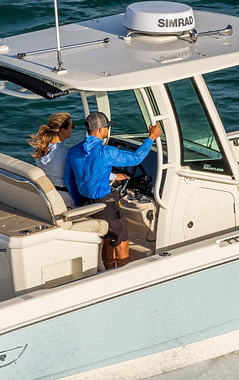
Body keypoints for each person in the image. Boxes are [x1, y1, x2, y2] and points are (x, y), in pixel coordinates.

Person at [65, 110, 163, 270]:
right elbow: (136, 158)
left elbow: (70, 181)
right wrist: (151, 137)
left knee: (106, 239)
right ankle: (124, 280)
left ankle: (109, 271)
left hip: (87, 205)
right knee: (122, 244)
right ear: (101, 130)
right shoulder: (106, 152)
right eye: (107, 127)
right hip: (106, 206)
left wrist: (83, 202)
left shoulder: (73, 151)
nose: (108, 130)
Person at [28, 111, 74, 199]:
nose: (73, 128)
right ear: (63, 130)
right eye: (72, 126)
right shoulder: (66, 153)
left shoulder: (40, 149)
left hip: (46, 195)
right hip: (65, 197)